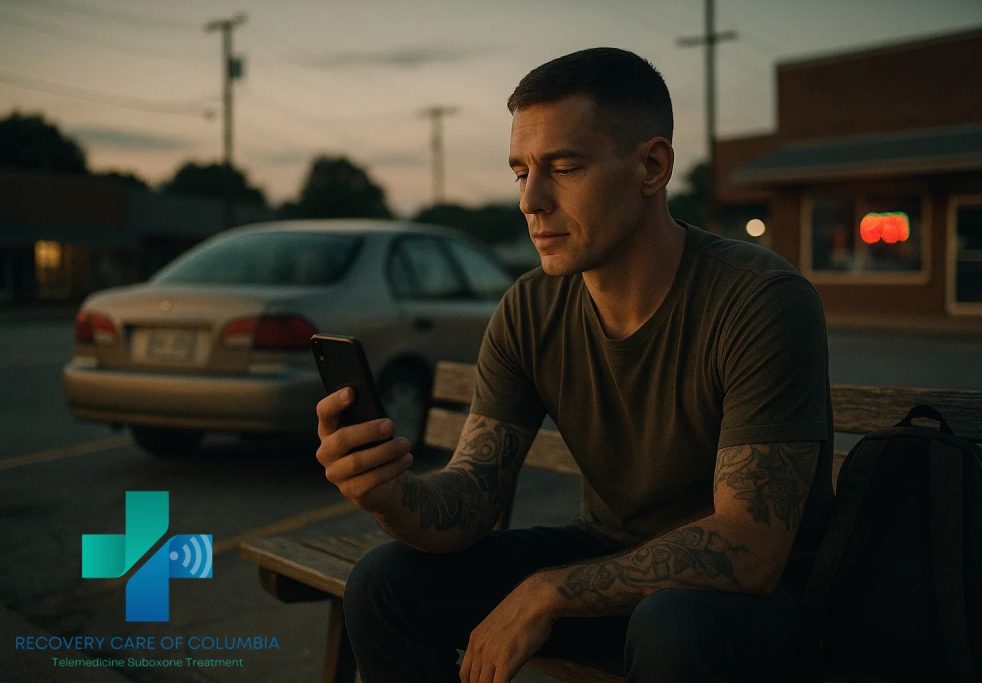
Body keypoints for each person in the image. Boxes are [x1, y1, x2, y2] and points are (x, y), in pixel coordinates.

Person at [315, 47, 834, 683]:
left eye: (563, 167)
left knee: (671, 626)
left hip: (753, 609)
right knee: (384, 582)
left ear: (651, 166)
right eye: (520, 172)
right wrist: (392, 497)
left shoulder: (759, 299)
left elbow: (751, 549)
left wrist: (550, 592)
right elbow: (474, 493)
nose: (531, 200)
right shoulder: (530, 307)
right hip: (610, 564)